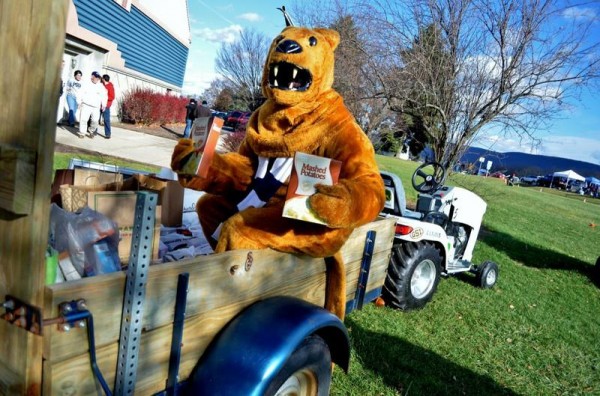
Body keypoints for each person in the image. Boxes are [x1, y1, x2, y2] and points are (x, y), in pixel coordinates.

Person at [77, 71, 107, 138]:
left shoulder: (101, 86)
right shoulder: (86, 84)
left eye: (98, 78)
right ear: (92, 76)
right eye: (96, 77)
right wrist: (79, 102)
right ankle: (82, 133)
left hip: (96, 107)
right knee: (83, 119)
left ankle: (91, 131)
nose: (97, 79)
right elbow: (80, 93)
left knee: (95, 121)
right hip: (86, 104)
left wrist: (104, 104)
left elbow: (104, 96)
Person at [100, 74, 115, 139]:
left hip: (106, 106)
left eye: (102, 79)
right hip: (99, 104)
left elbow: (112, 97)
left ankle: (108, 134)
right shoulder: (102, 85)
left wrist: (104, 98)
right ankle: (92, 130)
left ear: (104, 79)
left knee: (106, 120)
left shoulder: (110, 87)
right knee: (94, 117)